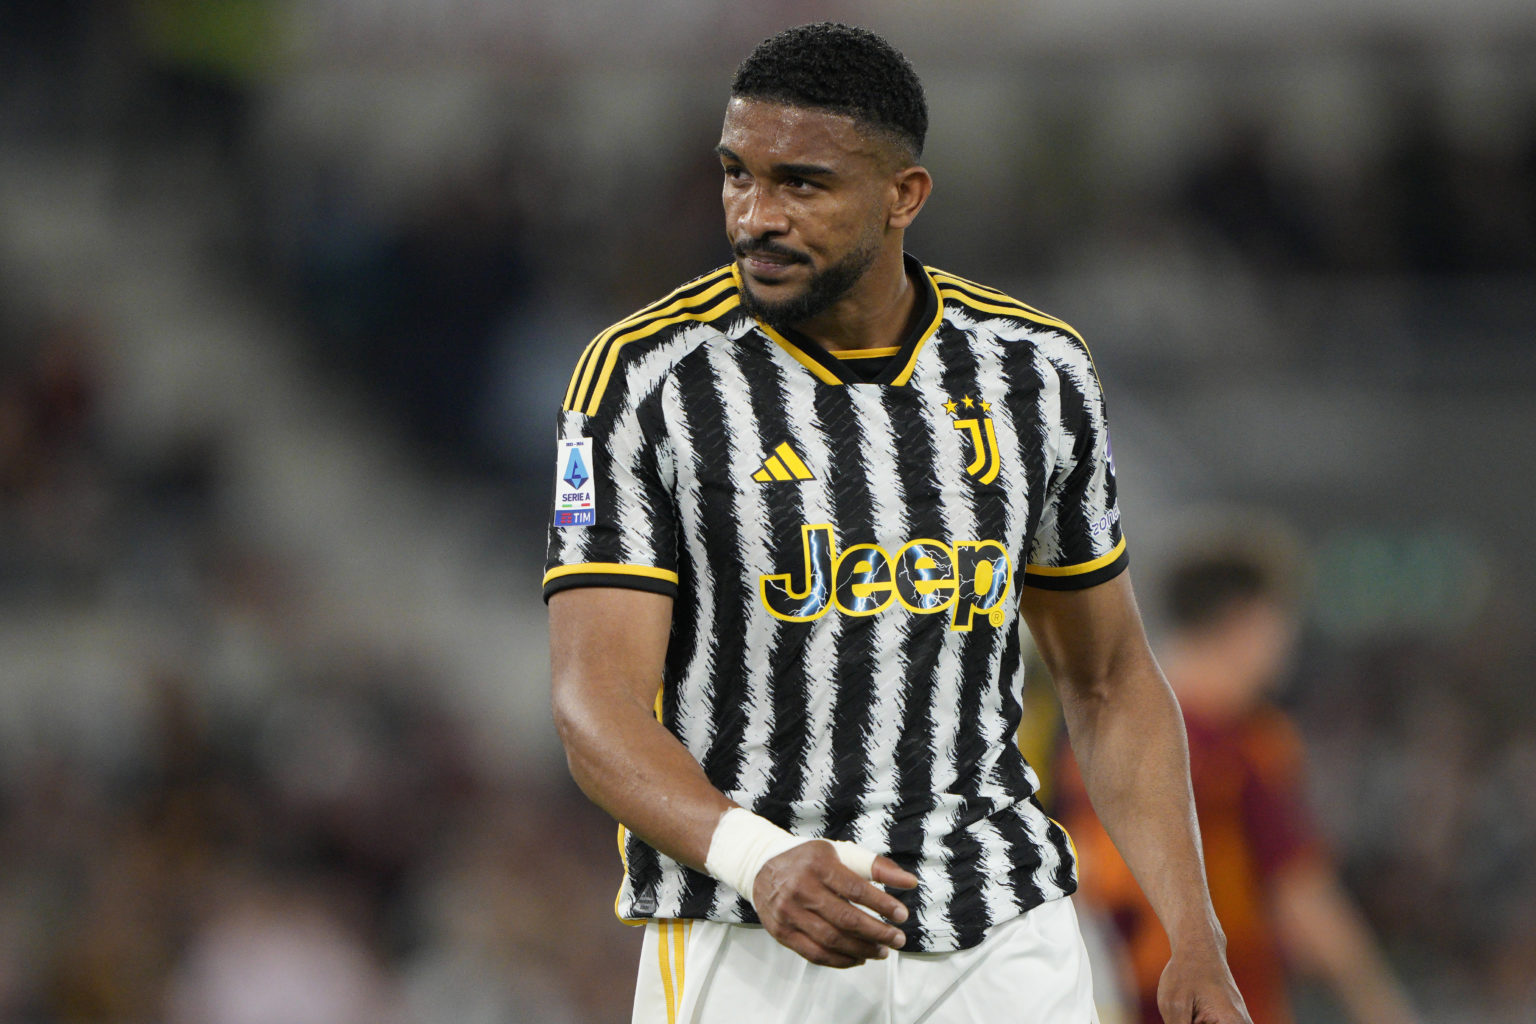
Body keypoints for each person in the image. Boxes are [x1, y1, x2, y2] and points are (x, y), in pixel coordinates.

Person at [545, 22, 1250, 1024]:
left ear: (903, 197)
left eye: (803, 183)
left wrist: (1194, 934)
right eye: (737, 176)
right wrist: (764, 858)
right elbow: (594, 701)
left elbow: (1108, 675)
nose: (757, 215)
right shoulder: (645, 380)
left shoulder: (1034, 374)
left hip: (1000, 921)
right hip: (752, 927)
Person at [1053, 537, 1420, 1024]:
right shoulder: (1243, 740)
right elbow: (1300, 893)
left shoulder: (1090, 732)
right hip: (1224, 999)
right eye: (1279, 622)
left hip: (1101, 997)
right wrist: (1378, 1003)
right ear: (1244, 620)